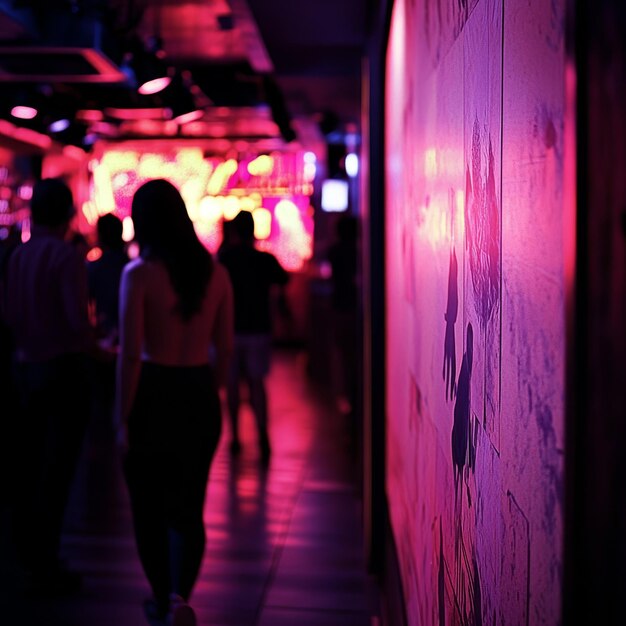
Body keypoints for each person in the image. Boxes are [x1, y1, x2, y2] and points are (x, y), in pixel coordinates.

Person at [116, 179, 233, 626]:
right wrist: (213, 392)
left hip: (152, 393)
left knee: (147, 509)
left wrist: (120, 416)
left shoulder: (139, 274)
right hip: (198, 392)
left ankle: (162, 599)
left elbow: (129, 355)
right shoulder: (216, 273)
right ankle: (181, 597)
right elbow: (225, 347)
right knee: (190, 507)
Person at [1, 178, 94, 593]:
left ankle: (23, 552)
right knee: (58, 469)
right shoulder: (66, 256)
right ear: (68, 214)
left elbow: (7, 313)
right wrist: (98, 346)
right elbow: (76, 322)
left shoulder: (18, 255)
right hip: (62, 369)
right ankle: (47, 559)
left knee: (27, 464)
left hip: (24, 367)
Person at [218, 209, 289, 462]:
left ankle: (235, 437)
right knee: (257, 383)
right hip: (259, 328)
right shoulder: (264, 259)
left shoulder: (225, 258)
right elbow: (283, 279)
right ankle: (262, 436)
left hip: (231, 329)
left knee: (232, 384)